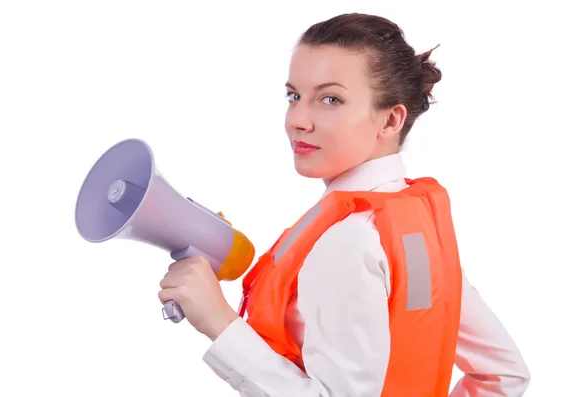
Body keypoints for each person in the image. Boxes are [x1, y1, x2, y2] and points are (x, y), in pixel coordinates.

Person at [157, 13, 531, 396]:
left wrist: (219, 322)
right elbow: (502, 374)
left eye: (330, 99)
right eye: (294, 96)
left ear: (390, 120)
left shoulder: (347, 240)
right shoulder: (415, 224)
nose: (298, 119)